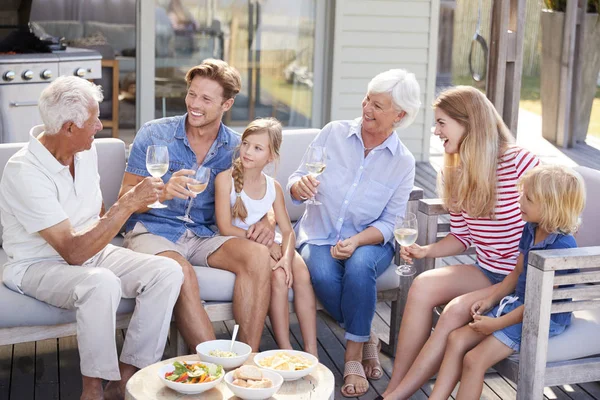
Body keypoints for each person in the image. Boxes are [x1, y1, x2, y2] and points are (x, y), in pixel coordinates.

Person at [0, 76, 184, 400]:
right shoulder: (23, 171)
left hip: (92, 251)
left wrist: (111, 223)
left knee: (167, 272)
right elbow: (72, 251)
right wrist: (128, 203)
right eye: (94, 119)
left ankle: (124, 384)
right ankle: (93, 391)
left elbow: (96, 212)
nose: (100, 125)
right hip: (38, 264)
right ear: (69, 127)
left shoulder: (87, 150)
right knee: (101, 283)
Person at [380, 86, 541, 400]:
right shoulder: (457, 167)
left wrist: (509, 286)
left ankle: (393, 398)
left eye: (442, 123)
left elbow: (550, 225)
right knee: (423, 284)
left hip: (520, 279)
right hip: (487, 268)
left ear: (469, 122)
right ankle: (393, 386)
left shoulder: (523, 163)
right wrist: (426, 250)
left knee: (454, 310)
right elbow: (462, 236)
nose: (435, 130)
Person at [119, 59, 273, 352]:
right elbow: (124, 196)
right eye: (192, 94)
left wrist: (269, 216)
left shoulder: (236, 147)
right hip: (154, 230)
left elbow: (262, 190)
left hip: (206, 235)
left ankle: (247, 361)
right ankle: (218, 364)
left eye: (206, 98)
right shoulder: (154, 134)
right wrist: (162, 193)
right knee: (181, 272)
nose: (194, 104)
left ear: (226, 104)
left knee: (257, 255)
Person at [287, 69, 421, 397]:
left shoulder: (403, 162)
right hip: (318, 233)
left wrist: (358, 240)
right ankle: (368, 337)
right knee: (319, 270)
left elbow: (391, 223)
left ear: (399, 115)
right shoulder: (333, 133)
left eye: (378, 105)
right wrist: (297, 187)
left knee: (360, 266)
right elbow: (296, 177)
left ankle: (351, 359)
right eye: (366, 99)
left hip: (370, 240)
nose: (367, 108)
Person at [427, 164, 585, 400]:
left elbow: (538, 305)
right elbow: (517, 271)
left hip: (542, 318)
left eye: (528, 198)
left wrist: (496, 324)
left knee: (474, 360)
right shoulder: (531, 228)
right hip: (518, 305)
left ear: (551, 207)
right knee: (456, 338)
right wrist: (490, 300)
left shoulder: (562, 246)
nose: (519, 200)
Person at [214, 117, 318, 357]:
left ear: (271, 157)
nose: (248, 151)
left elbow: (287, 230)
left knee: (301, 274)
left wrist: (286, 256)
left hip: (274, 243)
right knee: (280, 279)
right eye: (246, 144)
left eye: (258, 148)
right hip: (244, 244)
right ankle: (286, 350)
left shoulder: (273, 187)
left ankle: (312, 351)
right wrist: (268, 244)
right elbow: (225, 227)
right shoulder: (225, 180)